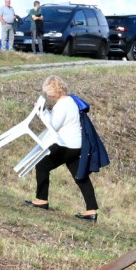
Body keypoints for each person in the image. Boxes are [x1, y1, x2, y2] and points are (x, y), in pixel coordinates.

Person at [25, 76, 108, 221]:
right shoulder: (70, 101)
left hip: (66, 145)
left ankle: (41, 200)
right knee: (80, 177)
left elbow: (53, 126)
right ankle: (91, 210)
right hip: (76, 146)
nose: (48, 96)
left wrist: (41, 112)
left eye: (48, 93)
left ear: (53, 91)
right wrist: (45, 112)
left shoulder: (62, 104)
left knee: (42, 165)